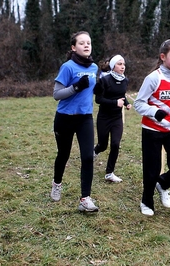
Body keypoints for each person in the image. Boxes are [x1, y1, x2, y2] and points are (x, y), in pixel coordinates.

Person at [134, 39, 170, 216]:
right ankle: (146, 201)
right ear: (163, 57)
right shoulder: (153, 78)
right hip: (152, 130)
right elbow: (138, 104)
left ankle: (163, 184)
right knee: (151, 169)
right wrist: (153, 112)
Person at [50, 31, 99, 212]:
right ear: (73, 47)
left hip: (85, 118)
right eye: (82, 43)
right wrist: (76, 87)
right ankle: (57, 183)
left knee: (87, 157)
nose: (86, 45)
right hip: (65, 118)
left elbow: (93, 91)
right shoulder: (67, 67)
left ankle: (85, 198)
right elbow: (57, 94)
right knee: (63, 155)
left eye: (89, 42)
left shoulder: (94, 68)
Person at [93, 54, 132, 183]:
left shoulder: (125, 80)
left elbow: (121, 95)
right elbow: (98, 99)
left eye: (124, 64)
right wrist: (115, 103)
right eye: (119, 64)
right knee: (103, 145)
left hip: (117, 118)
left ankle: (109, 173)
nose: (122, 67)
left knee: (115, 144)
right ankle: (95, 151)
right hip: (104, 117)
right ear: (113, 66)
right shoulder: (105, 80)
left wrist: (126, 103)